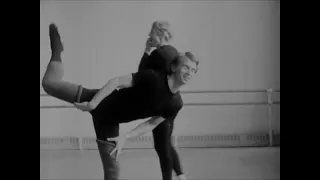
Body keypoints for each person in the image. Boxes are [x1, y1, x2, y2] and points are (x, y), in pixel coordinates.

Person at [41, 23, 199, 180]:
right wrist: (92, 104)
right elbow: (116, 81)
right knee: (48, 84)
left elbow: (151, 123)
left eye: (193, 70)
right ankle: (57, 52)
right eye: (186, 68)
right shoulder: (154, 78)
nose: (189, 73)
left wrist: (126, 136)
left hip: (109, 124)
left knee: (112, 174)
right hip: (96, 100)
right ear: (175, 67)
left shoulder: (175, 104)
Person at [138, 21, 189, 180]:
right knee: (164, 142)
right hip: (171, 103)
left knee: (162, 145)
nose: (149, 35)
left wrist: (147, 50)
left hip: (164, 105)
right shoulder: (173, 52)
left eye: (151, 32)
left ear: (159, 33)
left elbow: (141, 74)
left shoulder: (158, 54)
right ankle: (180, 175)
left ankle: (171, 177)